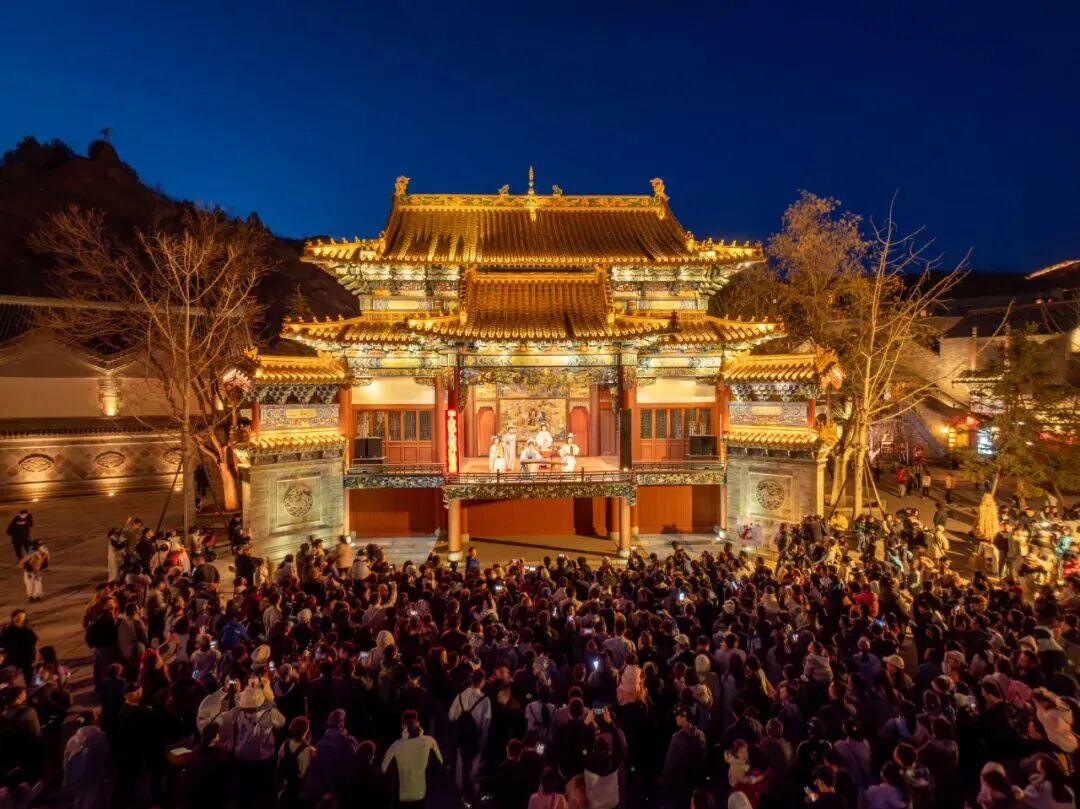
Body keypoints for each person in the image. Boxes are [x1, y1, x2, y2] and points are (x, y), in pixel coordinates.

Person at [382, 709, 442, 809]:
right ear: (418, 723)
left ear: (402, 726)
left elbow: (384, 770)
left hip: (402, 799)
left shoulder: (395, 747)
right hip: (423, 797)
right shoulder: (430, 742)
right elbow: (439, 764)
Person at [449, 668, 491, 801]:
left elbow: (451, 716)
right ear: (483, 681)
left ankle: (461, 794)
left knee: (461, 765)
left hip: (461, 738)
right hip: (475, 740)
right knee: (473, 768)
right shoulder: (485, 700)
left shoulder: (460, 695)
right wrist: (482, 744)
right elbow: (485, 725)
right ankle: (472, 796)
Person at [1, 609, 38, 685]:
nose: (19, 619)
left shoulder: (27, 630)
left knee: (28, 677)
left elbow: (33, 642)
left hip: (26, 658)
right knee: (10, 676)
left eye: (22, 617)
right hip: (12, 658)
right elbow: (2, 642)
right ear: (13, 617)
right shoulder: (8, 630)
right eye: (18, 616)